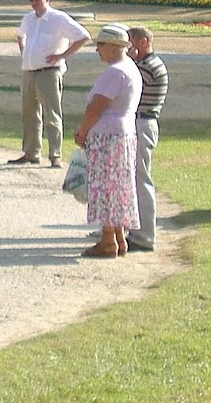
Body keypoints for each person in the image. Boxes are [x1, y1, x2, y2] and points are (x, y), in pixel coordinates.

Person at [73, 24, 143, 258]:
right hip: (123, 132)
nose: (97, 50)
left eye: (101, 45)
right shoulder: (130, 68)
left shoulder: (115, 72)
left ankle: (107, 240)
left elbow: (96, 108)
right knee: (118, 185)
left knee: (105, 187)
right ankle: (118, 237)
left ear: (114, 46)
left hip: (108, 136)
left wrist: (82, 132)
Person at [11, 0, 91, 168]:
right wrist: (24, 51)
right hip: (29, 71)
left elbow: (83, 36)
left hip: (49, 72)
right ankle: (31, 152)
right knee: (29, 114)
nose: (33, 3)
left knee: (52, 114)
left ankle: (55, 154)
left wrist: (62, 55)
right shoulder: (29, 19)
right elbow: (20, 35)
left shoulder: (58, 18)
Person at [126, 26, 168, 252]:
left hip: (142, 122)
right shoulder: (145, 64)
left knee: (140, 179)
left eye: (130, 42)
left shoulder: (148, 66)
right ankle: (128, 229)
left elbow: (126, 90)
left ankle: (144, 236)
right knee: (131, 178)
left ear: (142, 42)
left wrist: (126, 61)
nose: (126, 48)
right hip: (140, 122)